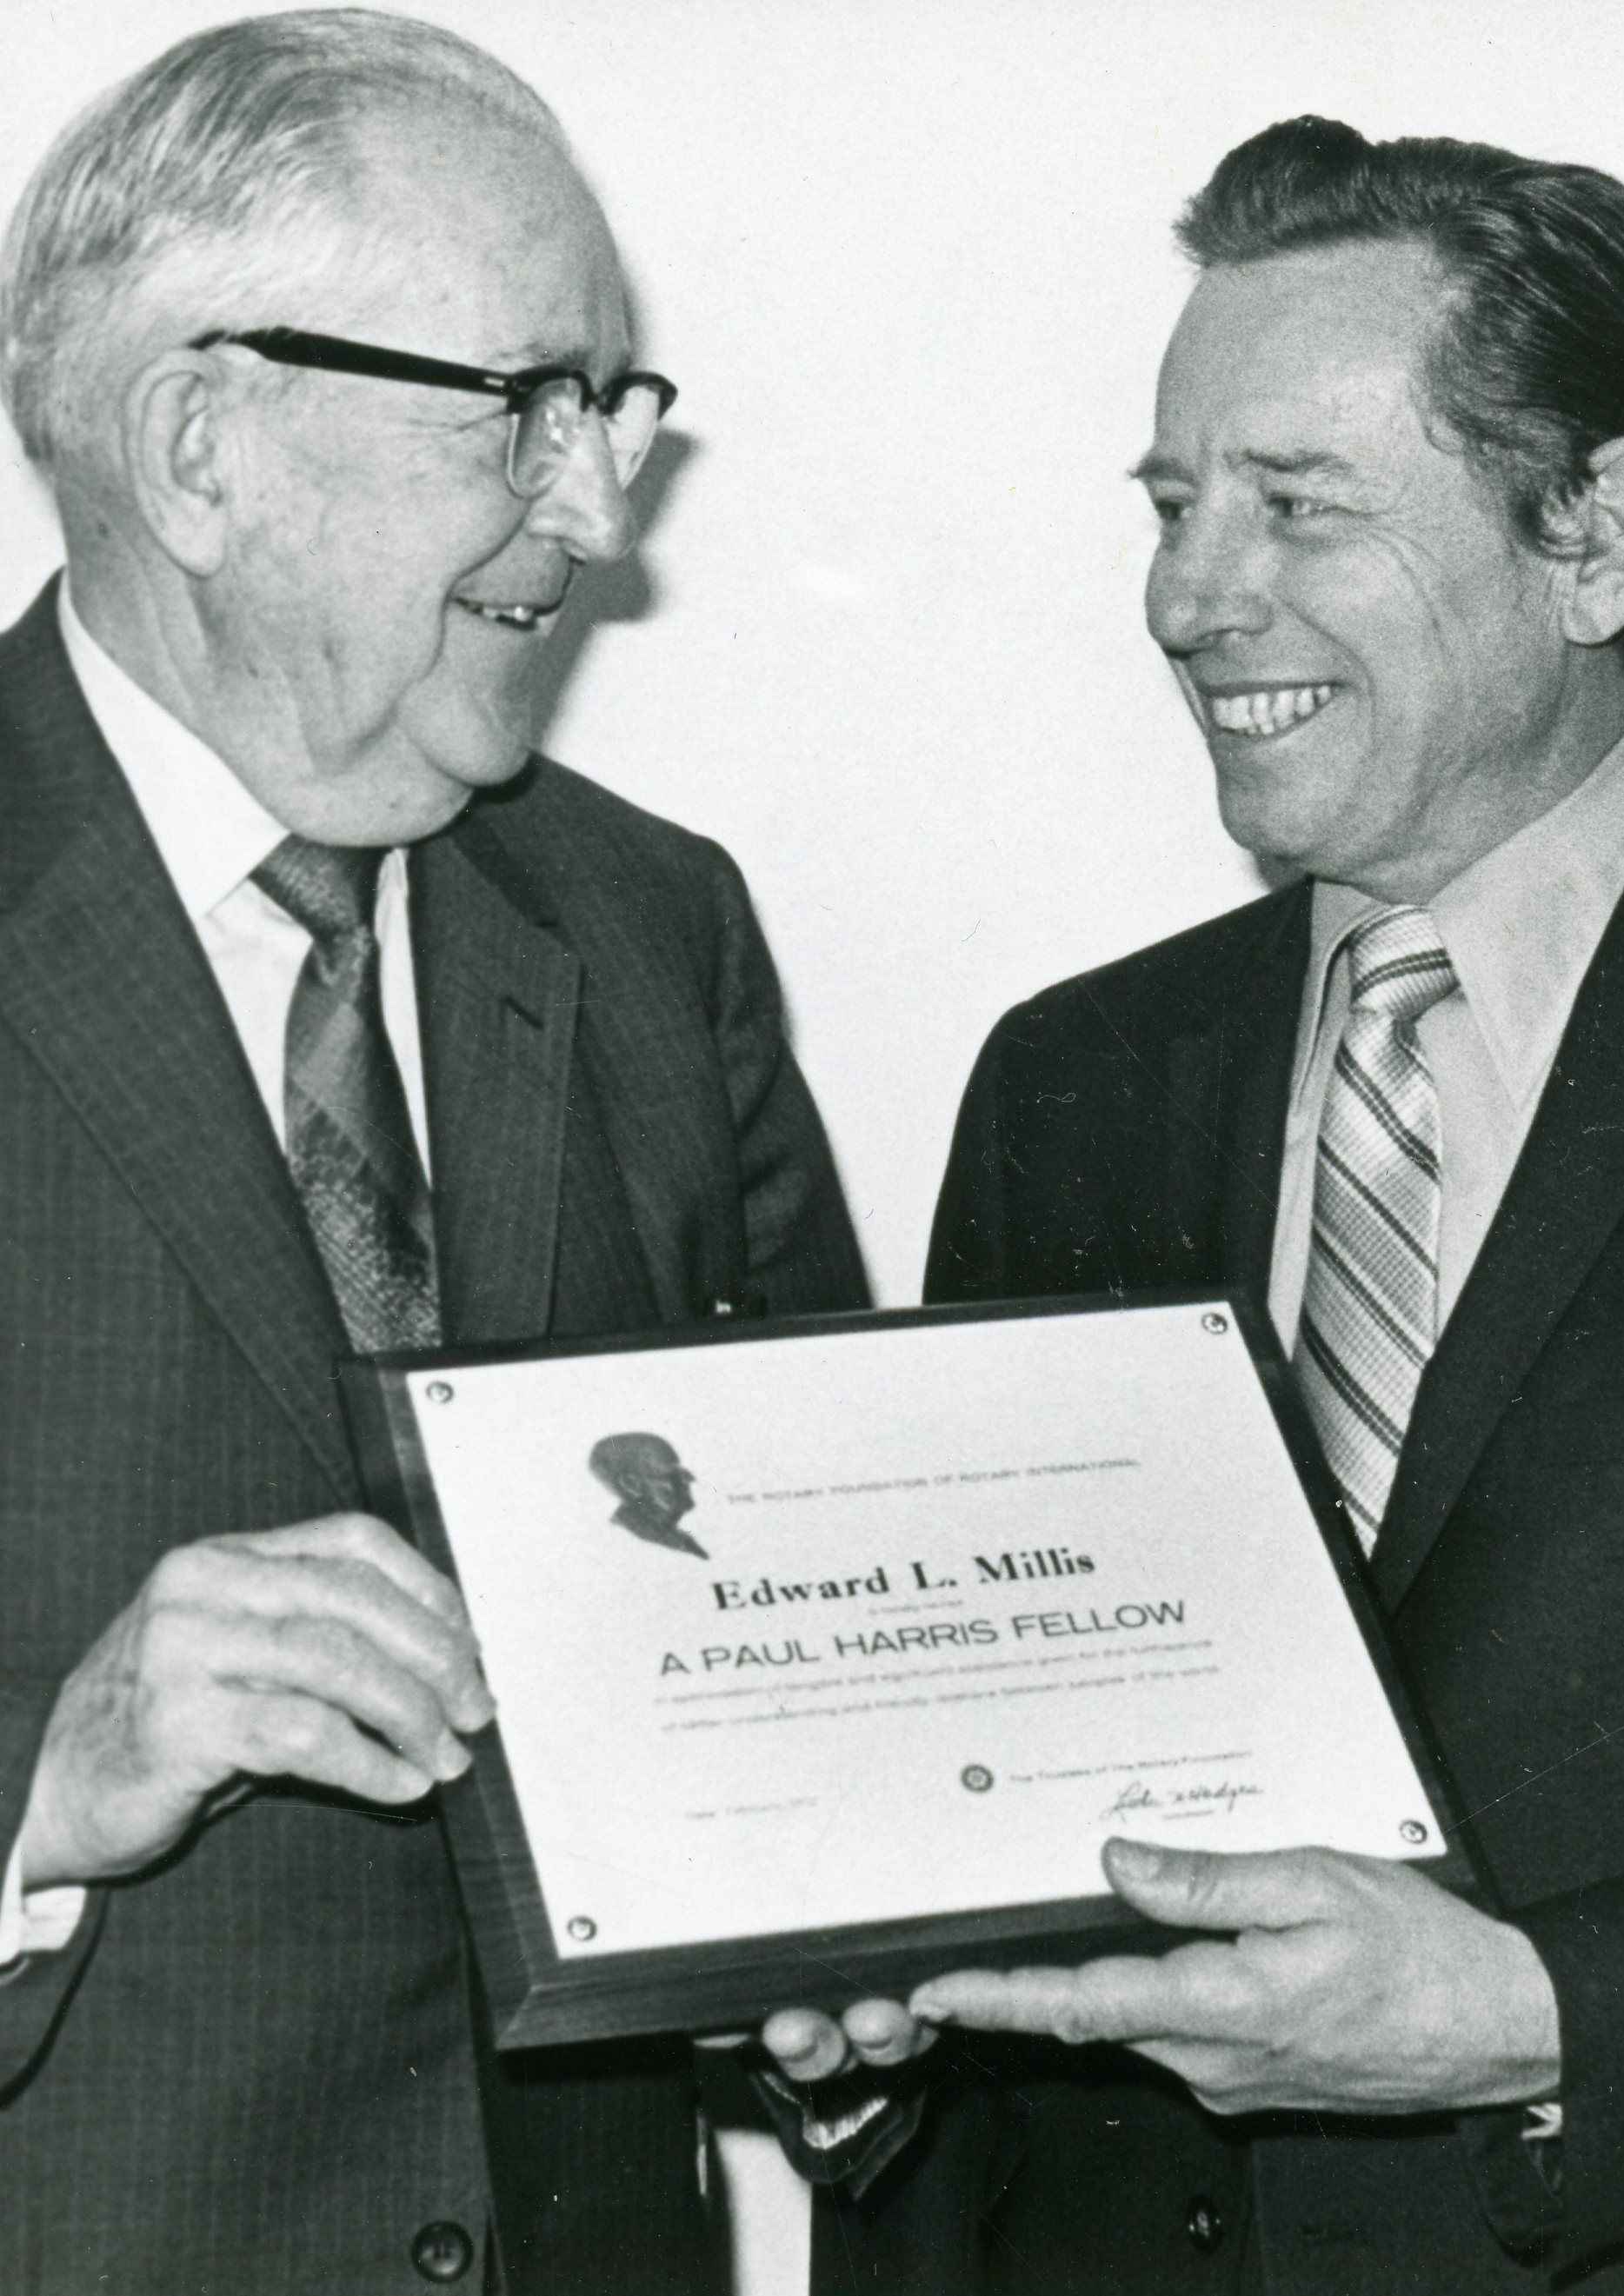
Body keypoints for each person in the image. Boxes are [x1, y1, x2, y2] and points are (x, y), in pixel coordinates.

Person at [0, 12, 915, 2289]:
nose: (598, 518)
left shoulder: (652, 931)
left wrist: (843, 1973)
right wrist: (51, 1780)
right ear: (198, 446)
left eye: (609, 412)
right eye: (523, 409)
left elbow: (812, 1660)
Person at [860, 118, 1624, 2294]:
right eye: (1172, 506)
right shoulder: (1065, 1083)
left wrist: (1538, 2016)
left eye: (1295, 505)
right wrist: (850, 2026)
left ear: (1598, 541)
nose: (1186, 599)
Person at [591, 1434, 707, 1557]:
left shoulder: (675, 1539)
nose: (689, 1479)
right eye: (671, 1475)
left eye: (681, 1471)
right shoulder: (630, 1546)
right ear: (631, 1484)